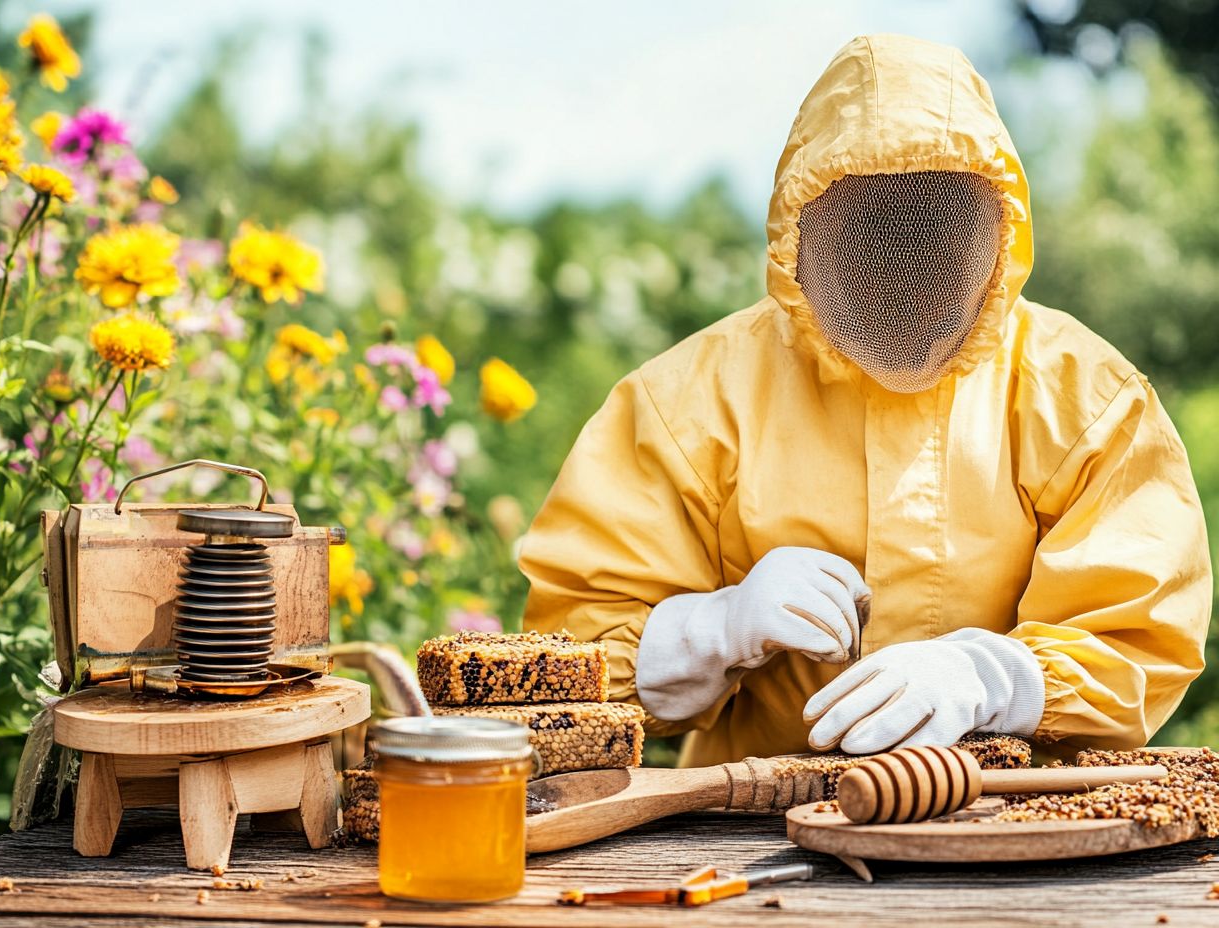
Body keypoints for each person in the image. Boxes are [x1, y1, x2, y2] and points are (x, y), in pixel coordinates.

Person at [519, 33, 1212, 766]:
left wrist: (993, 677)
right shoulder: (689, 401)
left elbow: (1138, 638)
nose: (904, 259)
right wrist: (710, 629)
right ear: (801, 229)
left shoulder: (1087, 399)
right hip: (751, 833)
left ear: (998, 227)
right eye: (872, 228)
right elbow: (566, 664)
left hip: (1012, 829)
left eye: (934, 223)